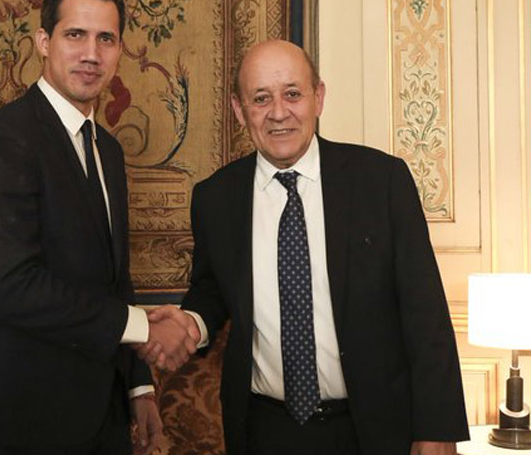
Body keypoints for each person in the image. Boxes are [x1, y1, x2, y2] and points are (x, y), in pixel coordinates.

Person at [140, 40, 469, 455]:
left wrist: (437, 427)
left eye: (293, 94)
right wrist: (190, 323)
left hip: (373, 428)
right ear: (240, 110)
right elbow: (213, 290)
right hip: (265, 430)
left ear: (319, 97)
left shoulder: (381, 181)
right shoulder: (215, 197)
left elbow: (426, 313)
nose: (279, 112)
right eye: (261, 98)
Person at [0, 0, 196, 454]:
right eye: (75, 35)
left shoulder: (109, 150)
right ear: (44, 42)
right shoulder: (3, 138)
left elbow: (114, 277)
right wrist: (147, 327)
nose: (91, 54)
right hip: (26, 413)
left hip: (104, 409)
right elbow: (14, 286)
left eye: (106, 39)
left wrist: (139, 387)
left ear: (120, 50)